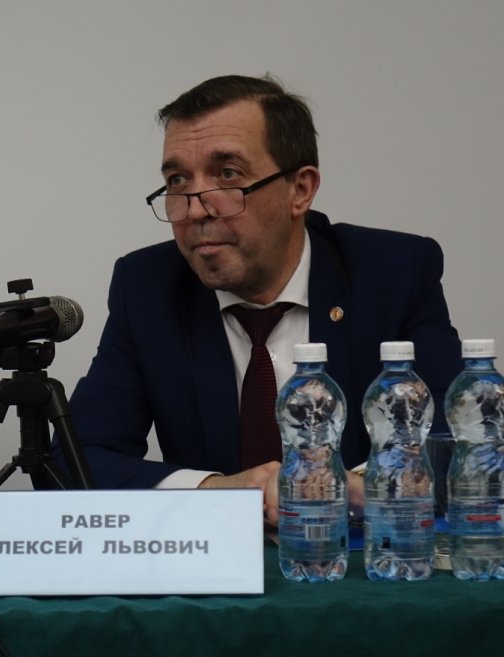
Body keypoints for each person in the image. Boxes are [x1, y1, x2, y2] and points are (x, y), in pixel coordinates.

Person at [58, 75, 462, 524]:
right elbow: (74, 461)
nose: (195, 208)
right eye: (177, 180)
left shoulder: (394, 273)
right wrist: (219, 491)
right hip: (215, 560)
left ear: (300, 190)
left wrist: (342, 489)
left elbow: (459, 448)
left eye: (228, 175)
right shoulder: (148, 287)